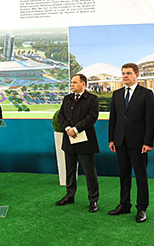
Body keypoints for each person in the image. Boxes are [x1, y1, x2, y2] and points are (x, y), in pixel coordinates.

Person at [108, 63, 154, 222]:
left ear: (137, 74)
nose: (125, 76)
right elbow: (113, 119)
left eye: (128, 73)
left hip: (139, 143)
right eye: (123, 73)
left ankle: (142, 208)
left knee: (141, 176)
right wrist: (112, 139)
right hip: (120, 141)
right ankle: (124, 204)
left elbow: (151, 120)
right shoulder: (116, 94)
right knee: (124, 175)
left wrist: (148, 142)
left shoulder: (146, 94)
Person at [55, 74, 100, 212]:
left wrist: (75, 129)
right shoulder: (67, 98)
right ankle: (70, 195)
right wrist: (68, 128)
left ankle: (93, 200)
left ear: (83, 84)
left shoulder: (92, 99)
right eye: (71, 82)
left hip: (85, 142)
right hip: (69, 141)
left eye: (75, 82)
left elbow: (92, 117)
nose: (72, 84)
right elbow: (61, 115)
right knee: (70, 171)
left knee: (89, 173)